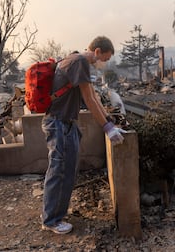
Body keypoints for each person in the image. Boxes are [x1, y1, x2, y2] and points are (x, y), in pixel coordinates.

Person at [40, 36, 126, 234]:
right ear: (97, 51)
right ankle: (50, 220)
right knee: (58, 171)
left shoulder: (74, 59)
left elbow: (94, 97)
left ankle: (55, 214)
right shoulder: (80, 62)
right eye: (103, 58)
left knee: (68, 170)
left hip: (66, 123)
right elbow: (89, 99)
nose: (102, 63)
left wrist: (110, 123)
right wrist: (107, 128)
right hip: (58, 123)